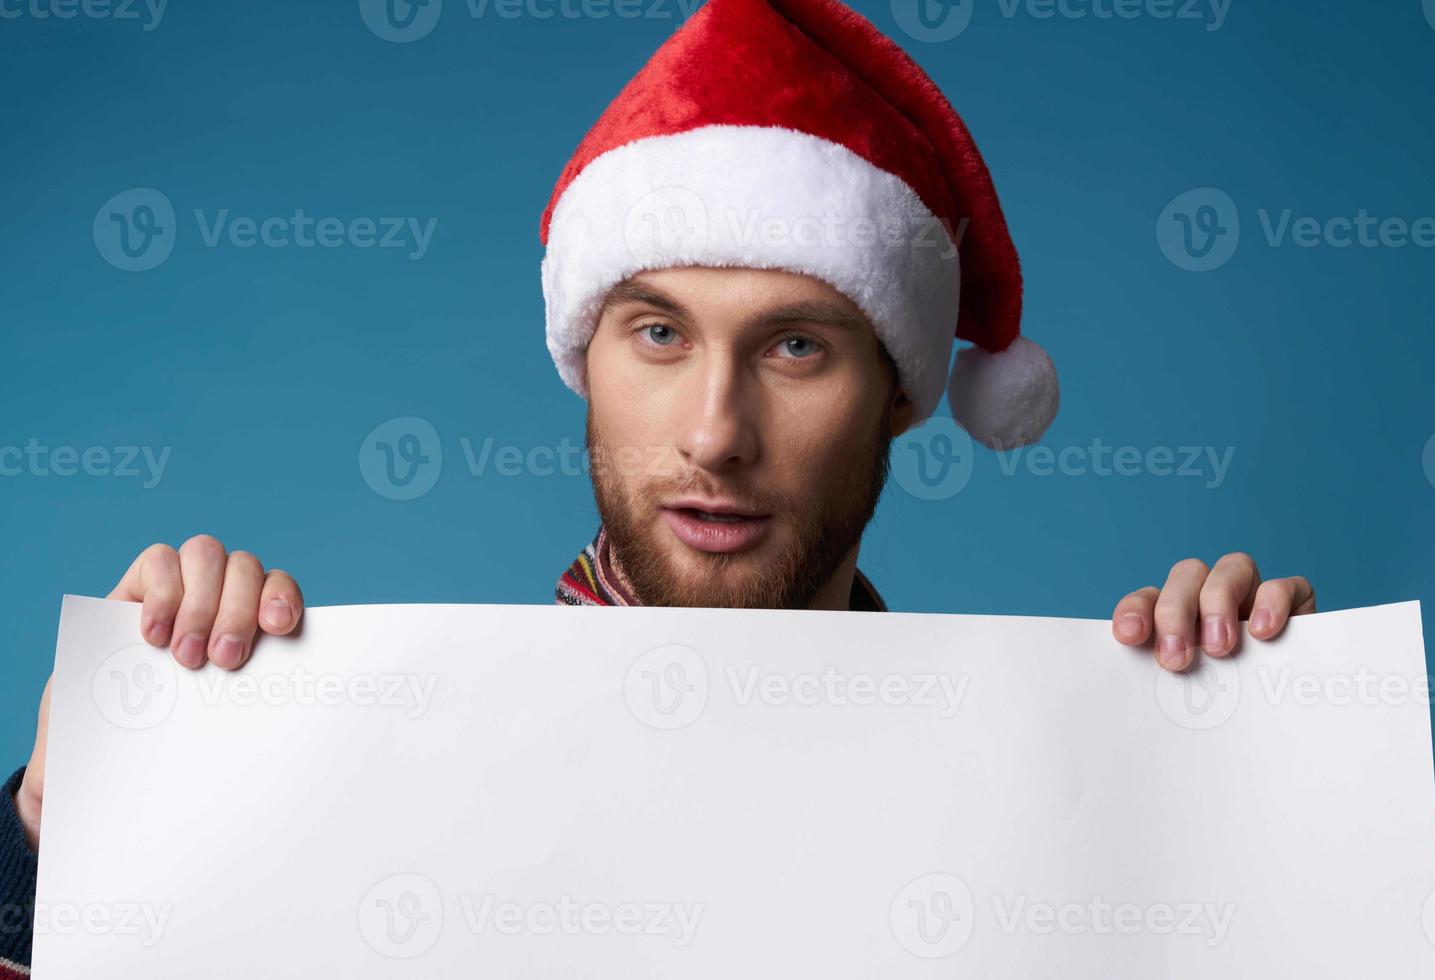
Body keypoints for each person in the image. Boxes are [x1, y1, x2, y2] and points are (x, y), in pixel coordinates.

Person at [0, 0, 1316, 974]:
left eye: (795, 346)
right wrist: (50, 847)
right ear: (587, 368)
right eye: (659, 333)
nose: (713, 432)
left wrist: (1256, 808)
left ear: (900, 395)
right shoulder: (329, 782)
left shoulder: (1072, 810)